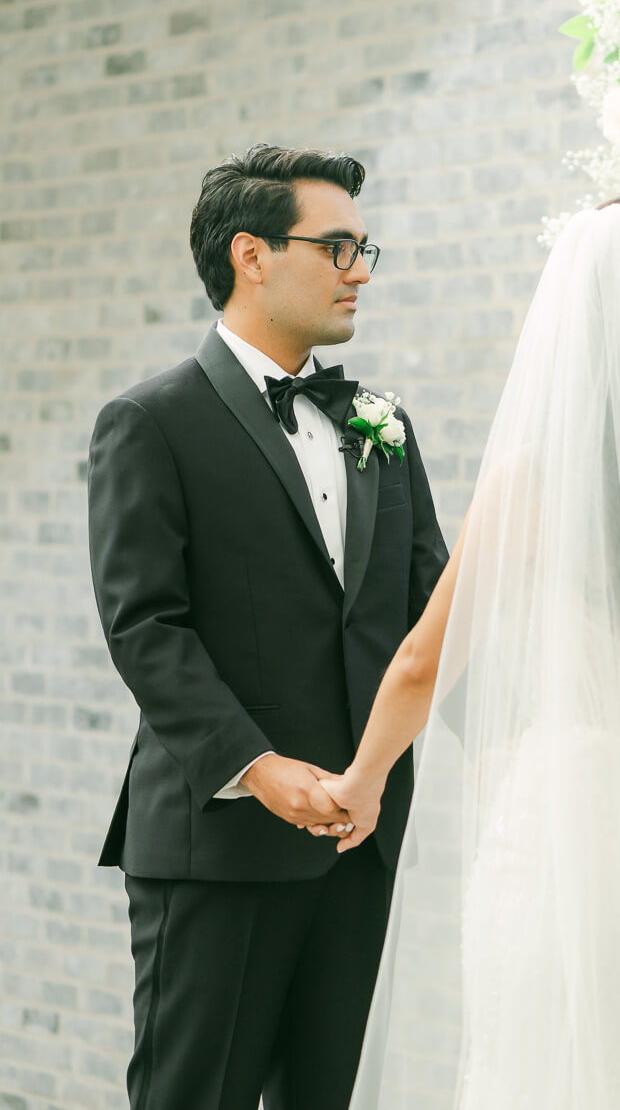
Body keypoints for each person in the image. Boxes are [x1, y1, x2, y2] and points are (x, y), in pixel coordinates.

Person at [322, 201, 620, 1109]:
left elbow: (426, 659)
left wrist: (363, 779)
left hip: (566, 824)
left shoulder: (531, 480)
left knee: (538, 1072)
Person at [86, 144, 448, 1110]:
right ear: (251, 255)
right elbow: (144, 628)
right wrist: (260, 767)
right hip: (220, 844)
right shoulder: (149, 421)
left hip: (359, 836)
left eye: (365, 250)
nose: (360, 271)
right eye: (336, 248)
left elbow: (435, 608)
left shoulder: (383, 421)